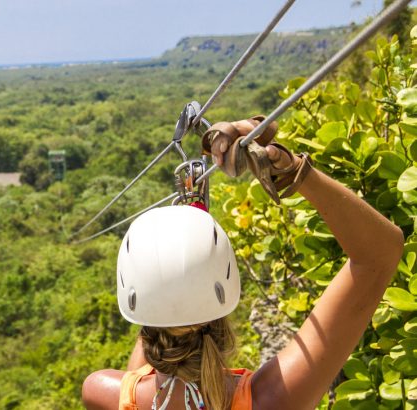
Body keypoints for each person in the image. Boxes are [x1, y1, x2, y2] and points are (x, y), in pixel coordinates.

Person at [81, 117, 404, 410]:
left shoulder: (101, 393)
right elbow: (378, 255)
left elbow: (140, 377)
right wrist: (292, 172)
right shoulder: (269, 399)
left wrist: (174, 257)